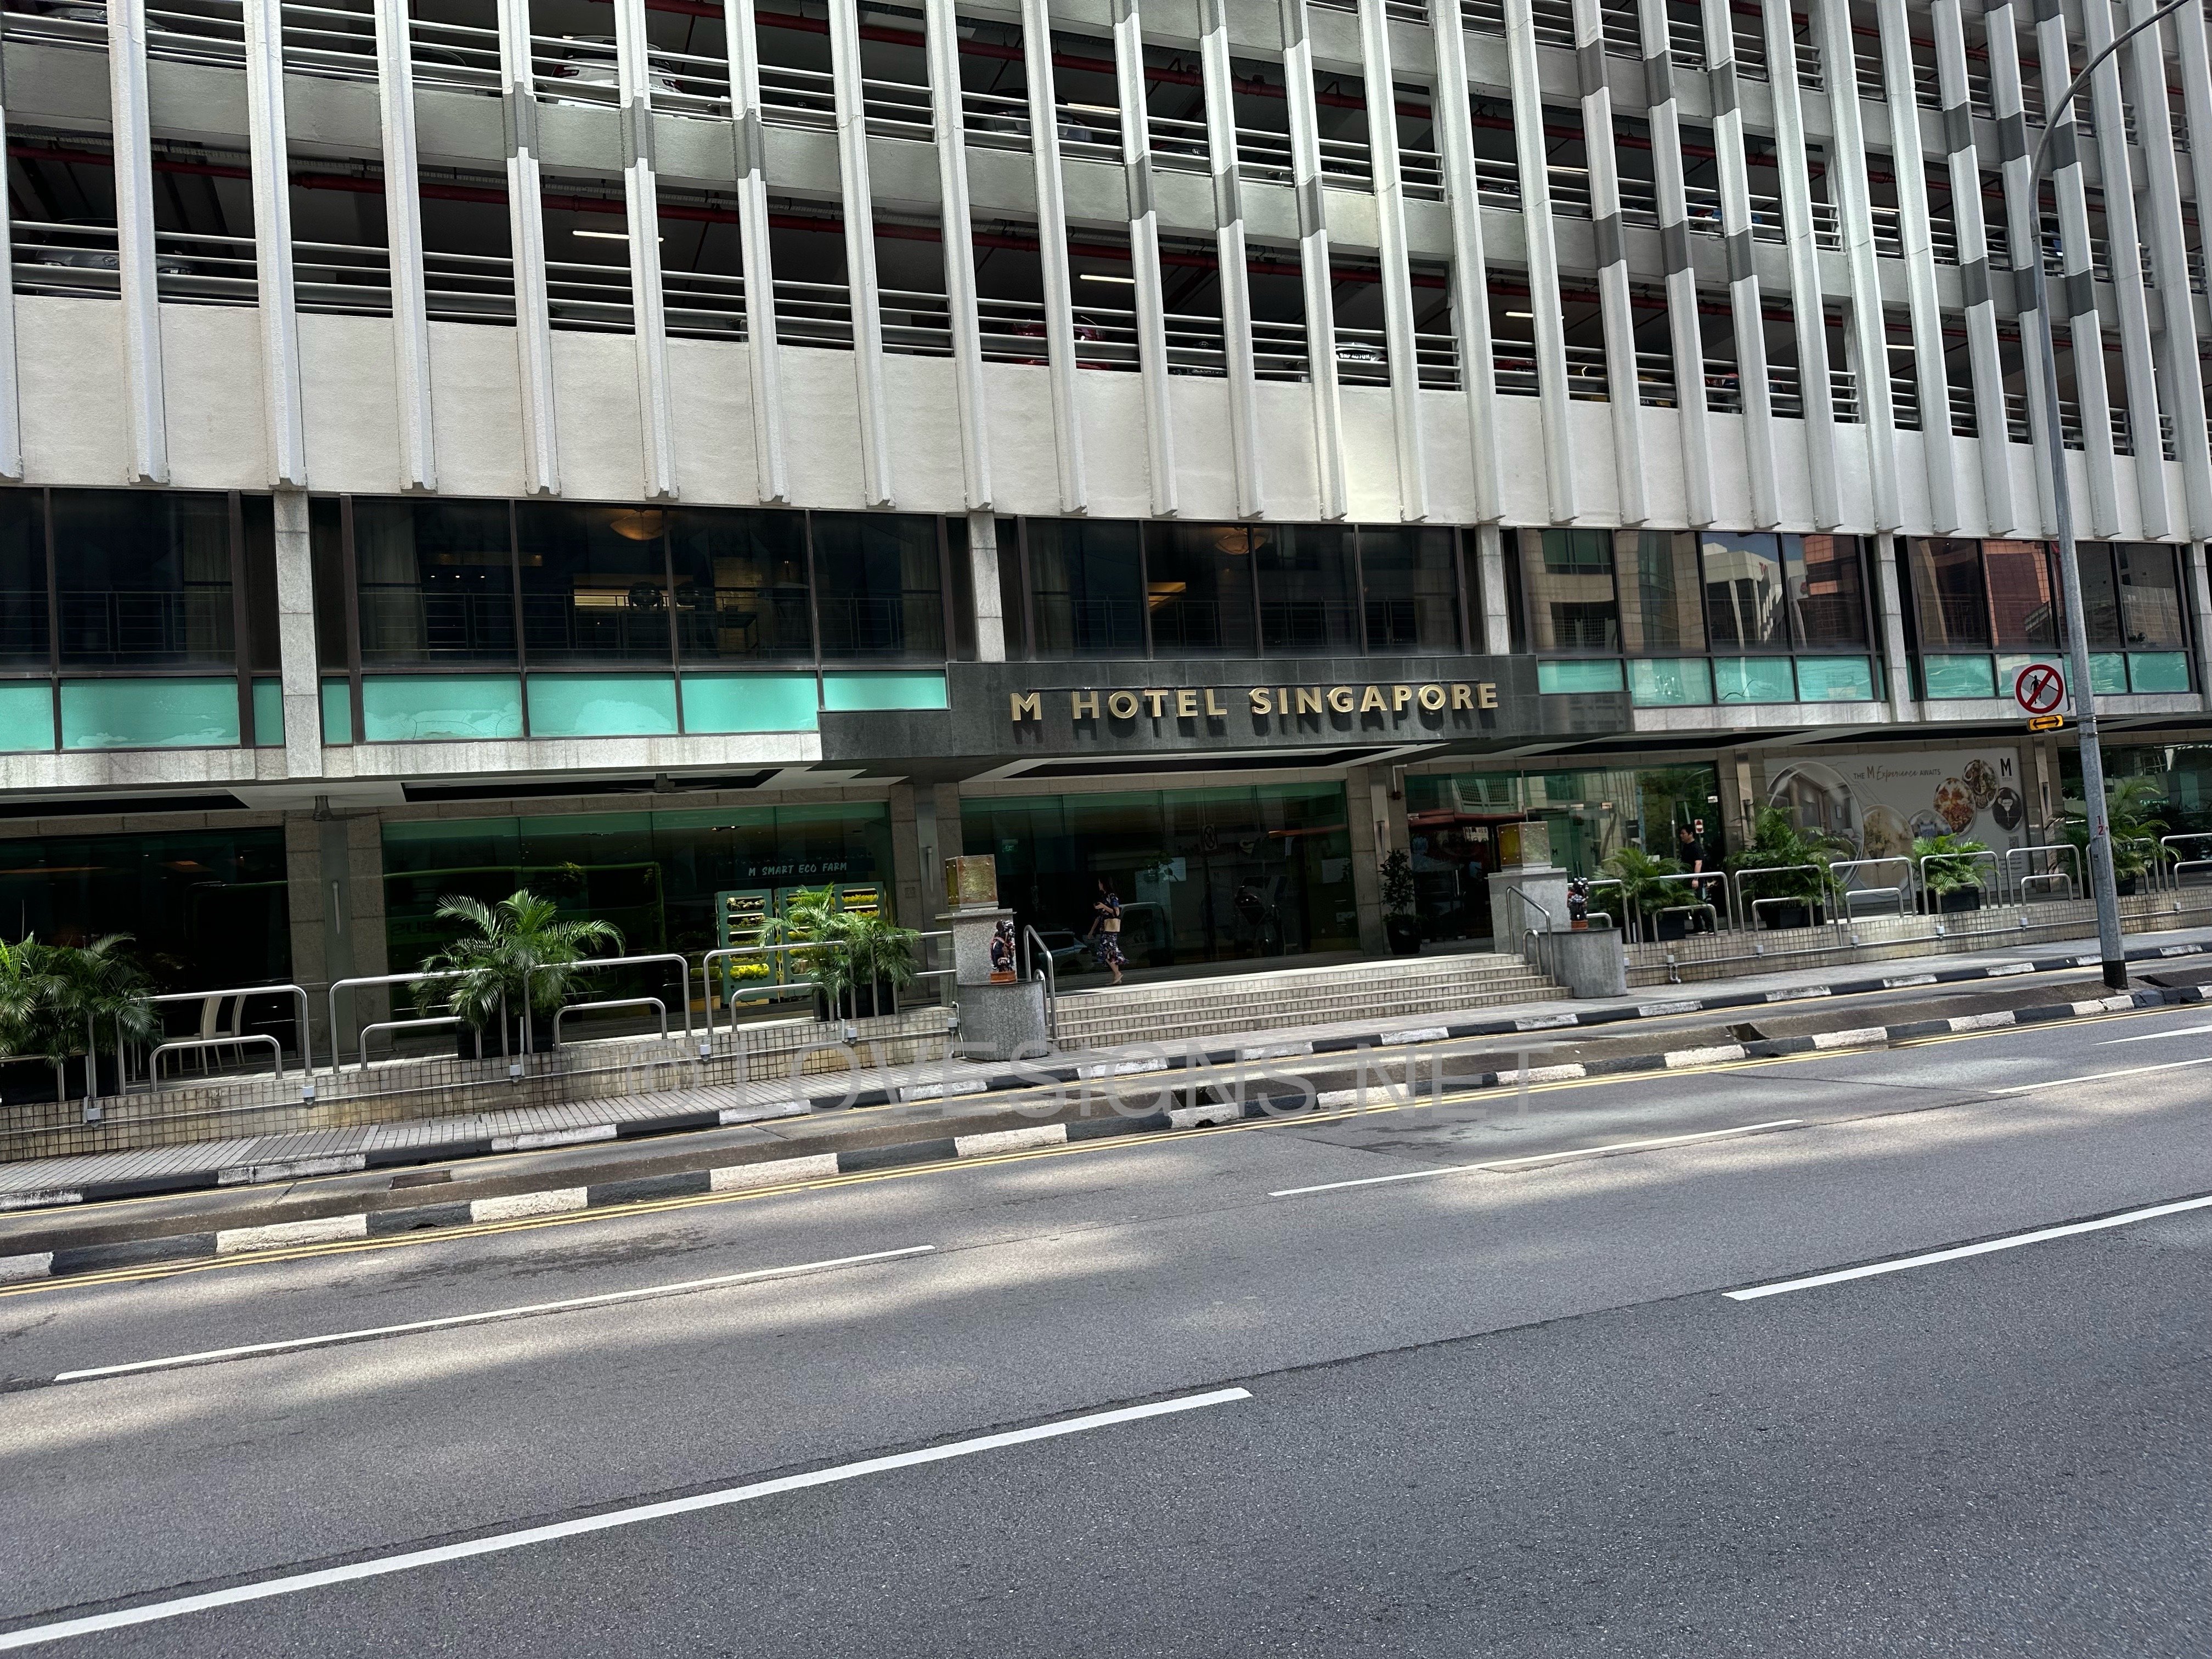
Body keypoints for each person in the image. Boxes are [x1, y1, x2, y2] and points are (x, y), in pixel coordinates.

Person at [1086, 877, 1125, 985]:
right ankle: (1117, 976)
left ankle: (1117, 973)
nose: (1099, 885)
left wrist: (1103, 906)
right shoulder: (1104, 897)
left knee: (1105, 952)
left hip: (1110, 930)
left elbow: (1116, 912)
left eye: (1100, 883)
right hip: (1105, 929)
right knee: (1110, 952)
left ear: (1104, 884)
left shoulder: (1111, 896)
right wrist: (1092, 931)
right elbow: (1099, 917)